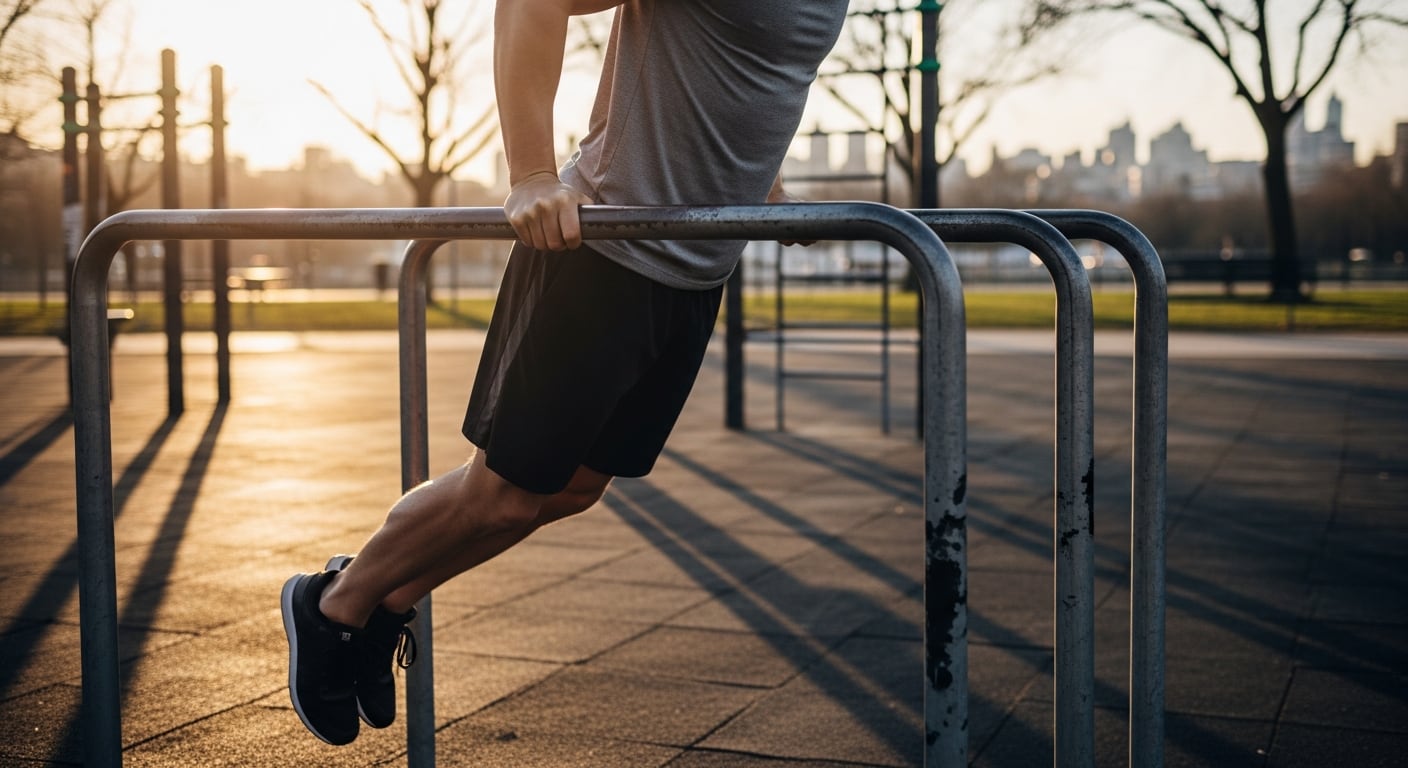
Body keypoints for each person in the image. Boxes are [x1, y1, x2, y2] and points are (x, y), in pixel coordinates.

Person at [280, 0, 849, 746]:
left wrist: (759, 179)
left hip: (698, 267)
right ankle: (332, 606)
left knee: (577, 488)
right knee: (505, 493)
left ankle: (389, 602)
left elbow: (750, 73)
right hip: (603, 253)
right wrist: (532, 173)